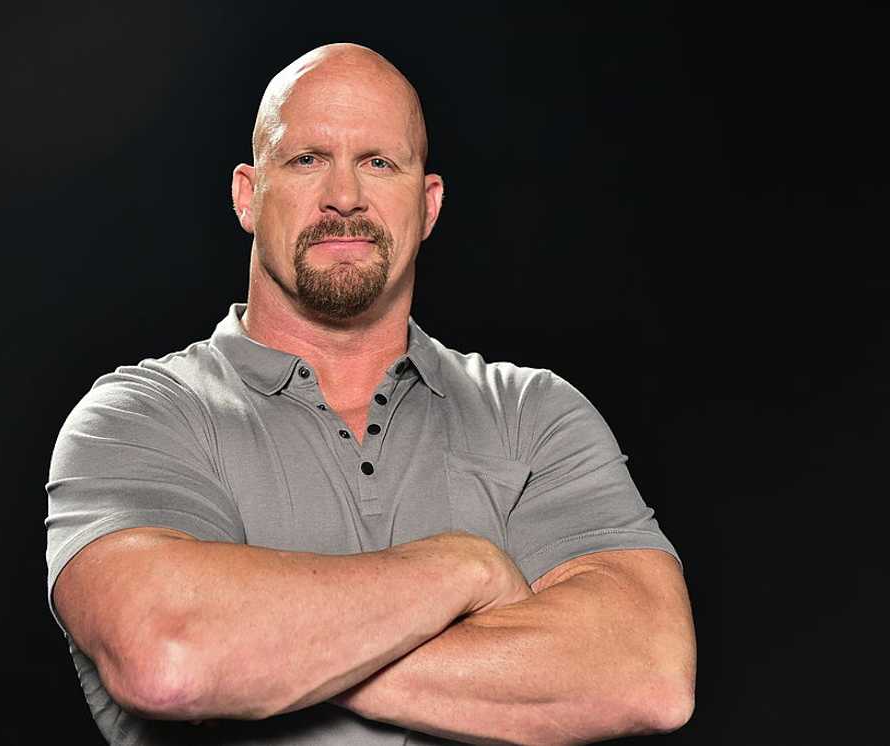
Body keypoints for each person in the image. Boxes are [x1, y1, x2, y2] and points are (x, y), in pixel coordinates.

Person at [45, 43, 696, 745]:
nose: (345, 197)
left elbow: (646, 670)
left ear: (429, 203)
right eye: (307, 159)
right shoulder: (140, 418)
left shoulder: (533, 417)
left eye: (380, 162)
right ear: (246, 194)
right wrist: (465, 566)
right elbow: (169, 656)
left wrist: (272, 661)